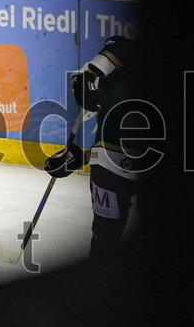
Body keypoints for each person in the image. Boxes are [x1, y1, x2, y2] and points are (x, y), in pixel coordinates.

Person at [44, 34, 145, 260]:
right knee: (105, 238)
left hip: (111, 166)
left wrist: (91, 73)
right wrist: (83, 156)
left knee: (104, 241)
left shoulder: (127, 51)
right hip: (112, 163)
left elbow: (115, 53)